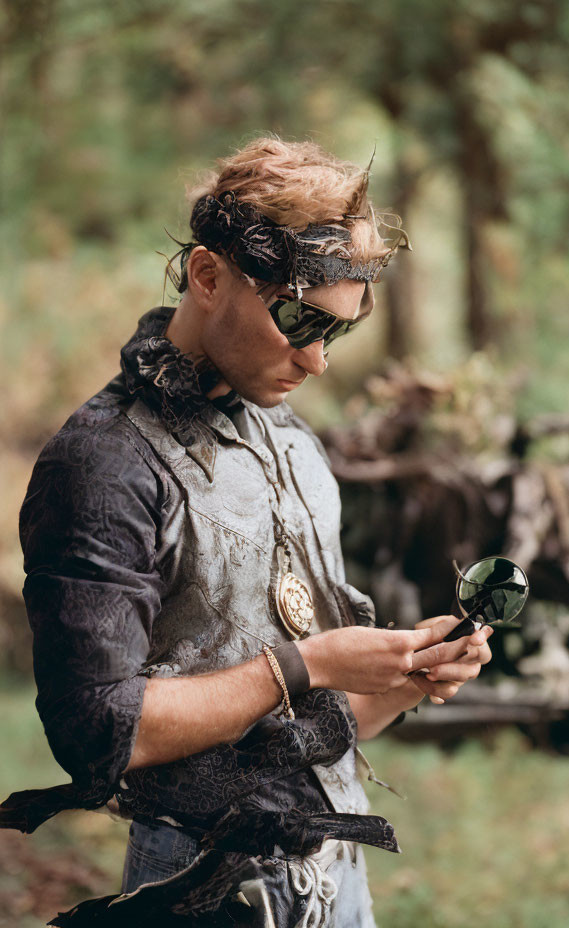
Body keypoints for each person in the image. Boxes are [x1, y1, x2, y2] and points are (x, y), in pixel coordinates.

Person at [7, 138, 492, 927]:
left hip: (339, 879)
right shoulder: (105, 461)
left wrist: (407, 676)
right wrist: (304, 663)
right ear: (208, 276)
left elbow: (309, 732)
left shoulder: (294, 443)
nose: (317, 361)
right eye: (299, 320)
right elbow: (97, 732)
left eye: (335, 333)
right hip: (198, 891)